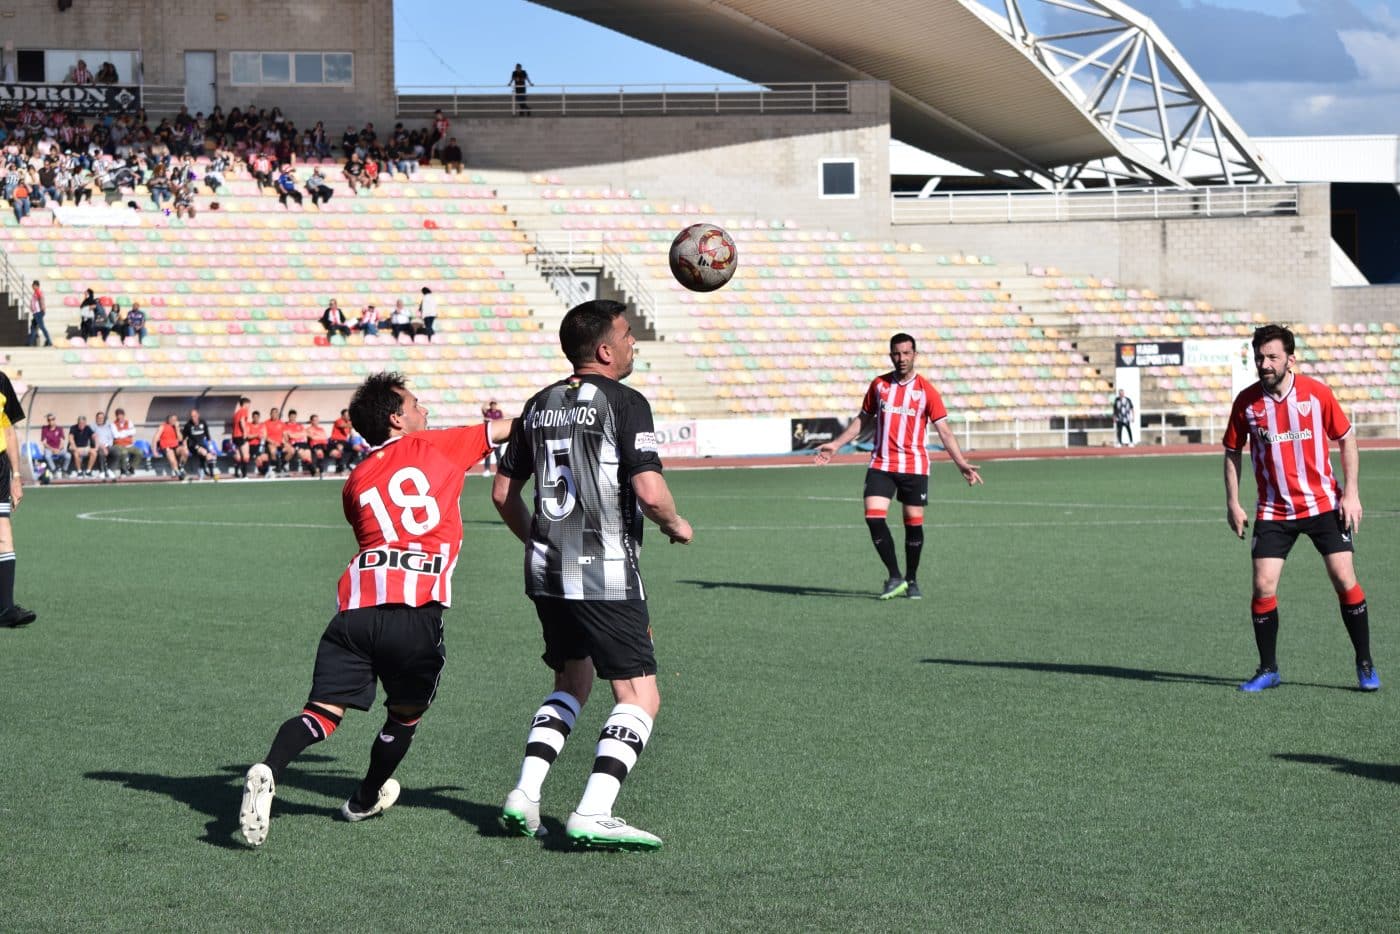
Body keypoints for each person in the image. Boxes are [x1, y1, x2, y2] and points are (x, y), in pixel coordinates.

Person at [235, 371, 511, 848]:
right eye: (416, 404)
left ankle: (269, 768)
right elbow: (514, 426)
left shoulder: (356, 479)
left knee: (320, 713)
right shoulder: (438, 446)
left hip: (355, 611)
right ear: (396, 418)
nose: (425, 410)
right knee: (404, 715)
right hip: (414, 610)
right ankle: (364, 798)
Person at [492, 299, 693, 851]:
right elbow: (650, 494)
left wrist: (543, 540)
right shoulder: (626, 402)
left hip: (545, 571)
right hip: (604, 571)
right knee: (638, 696)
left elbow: (502, 493)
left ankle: (525, 794)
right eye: (628, 336)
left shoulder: (538, 404)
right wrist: (677, 524)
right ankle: (594, 811)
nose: (633, 345)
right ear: (605, 349)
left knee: (572, 683)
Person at [1223, 324, 1378, 693]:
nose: (1264, 364)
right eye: (1260, 357)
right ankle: (1268, 669)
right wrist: (1233, 501)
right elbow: (1232, 451)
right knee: (1262, 586)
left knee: (1344, 579)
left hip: (1323, 504)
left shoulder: (1316, 394)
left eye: (1272, 357)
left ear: (1291, 359)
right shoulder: (1247, 403)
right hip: (1275, 511)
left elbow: (1346, 438)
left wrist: (1351, 493)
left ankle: (1365, 661)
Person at [814, 333, 983, 600]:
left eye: (906, 353)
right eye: (896, 353)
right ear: (890, 354)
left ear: (915, 355)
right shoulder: (879, 385)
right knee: (873, 517)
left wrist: (960, 463)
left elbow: (945, 432)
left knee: (913, 525)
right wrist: (836, 444)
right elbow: (862, 420)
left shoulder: (926, 391)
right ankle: (895, 576)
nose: (901, 358)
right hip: (881, 463)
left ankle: (912, 579)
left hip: (914, 466)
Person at [0, 370, 35, 627]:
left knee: (3, 533)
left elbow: (9, 430)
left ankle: (6, 609)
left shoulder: (1, 380)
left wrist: (15, 475)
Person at [182, 408, 218, 479]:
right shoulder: (188, 425)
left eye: (195, 416)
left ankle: (210, 474)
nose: (193, 418)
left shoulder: (203, 423)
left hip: (202, 444)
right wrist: (185, 447)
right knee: (204, 452)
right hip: (192, 445)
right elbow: (184, 438)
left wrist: (211, 448)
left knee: (210, 456)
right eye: (192, 416)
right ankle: (204, 470)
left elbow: (208, 436)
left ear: (198, 415)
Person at [153, 414, 188, 479]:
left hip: (175, 446)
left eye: (176, 420)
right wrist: (154, 451)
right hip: (166, 447)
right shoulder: (162, 426)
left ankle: (181, 467)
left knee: (185, 451)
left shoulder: (177, 427)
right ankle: (177, 472)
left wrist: (177, 429)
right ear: (169, 420)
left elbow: (180, 439)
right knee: (171, 454)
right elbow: (155, 439)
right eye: (173, 420)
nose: (175, 421)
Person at [111, 408, 140, 476]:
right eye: (118, 415)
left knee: (139, 452)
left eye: (121, 415)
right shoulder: (113, 424)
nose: (119, 417)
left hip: (129, 444)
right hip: (118, 445)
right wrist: (127, 432)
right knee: (124, 452)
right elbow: (116, 435)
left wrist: (122, 432)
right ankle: (123, 470)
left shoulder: (129, 422)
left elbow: (133, 432)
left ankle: (131, 468)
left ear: (123, 415)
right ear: (116, 416)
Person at [481, 399, 504, 475]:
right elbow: (482, 409)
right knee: (488, 454)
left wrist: (491, 420)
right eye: (492, 404)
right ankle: (487, 469)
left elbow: (501, 421)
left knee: (498, 454)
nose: (493, 406)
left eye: (494, 404)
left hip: (498, 436)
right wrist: (487, 401)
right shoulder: (488, 412)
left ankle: (499, 470)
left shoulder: (499, 412)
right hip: (489, 436)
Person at [91, 410, 116, 481]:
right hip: (98, 446)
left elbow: (111, 438)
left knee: (117, 452)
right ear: (96, 418)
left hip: (107, 445)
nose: (100, 419)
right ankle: (102, 471)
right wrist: (103, 447)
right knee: (101, 453)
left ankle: (110, 470)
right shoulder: (93, 426)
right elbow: (94, 439)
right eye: (99, 418)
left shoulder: (107, 427)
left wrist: (108, 446)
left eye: (102, 418)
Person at [27, 281, 52, 348]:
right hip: (36, 313)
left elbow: (41, 299)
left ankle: (49, 341)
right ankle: (30, 343)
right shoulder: (35, 292)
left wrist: (42, 309)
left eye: (33, 285)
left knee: (42, 327)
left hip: (38, 313)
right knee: (33, 327)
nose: (32, 286)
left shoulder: (38, 292)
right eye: (32, 285)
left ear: (36, 286)